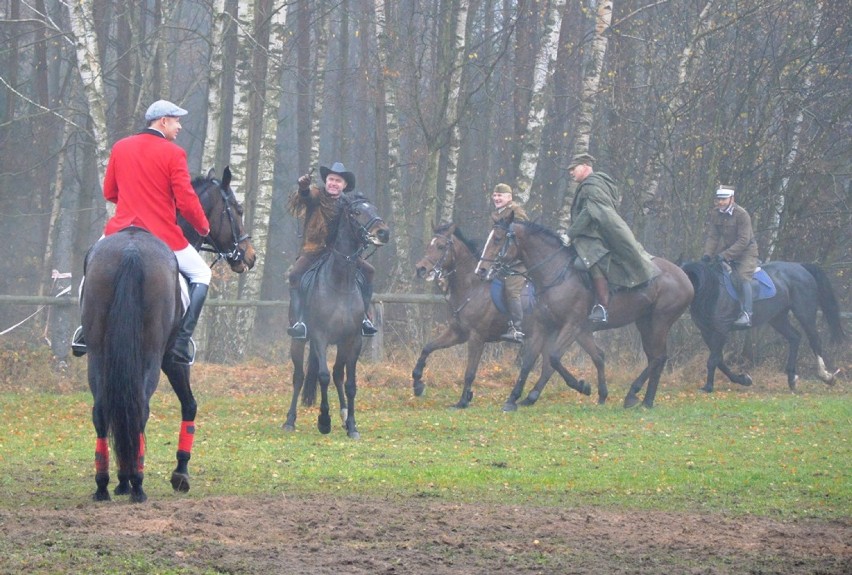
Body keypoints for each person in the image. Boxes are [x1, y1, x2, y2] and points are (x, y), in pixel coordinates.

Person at [71, 99, 212, 364]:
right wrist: (203, 226)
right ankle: (181, 342)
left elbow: (109, 192)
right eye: (176, 120)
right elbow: (186, 200)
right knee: (203, 273)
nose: (179, 126)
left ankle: (84, 331)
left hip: (119, 228)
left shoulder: (121, 147)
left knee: (91, 268)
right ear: (163, 121)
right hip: (161, 234)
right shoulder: (174, 154)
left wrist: (131, 203)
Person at [286, 162, 377, 339]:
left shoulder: (350, 205)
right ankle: (299, 321)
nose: (333, 183)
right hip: (315, 251)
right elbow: (306, 196)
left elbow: (359, 226)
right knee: (295, 274)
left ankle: (364, 317)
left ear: (344, 185)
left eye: (338, 181)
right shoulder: (317, 196)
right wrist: (303, 187)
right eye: (331, 179)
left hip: (343, 255)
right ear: (326, 181)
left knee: (370, 271)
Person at [565, 153, 659, 323]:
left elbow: (589, 213)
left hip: (597, 236)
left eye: (574, 168)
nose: (571, 172)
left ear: (585, 166)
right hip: (594, 233)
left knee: (591, 260)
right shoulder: (595, 183)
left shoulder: (591, 186)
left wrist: (570, 234)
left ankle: (602, 306)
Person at [702, 185, 759, 328]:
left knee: (742, 277)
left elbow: (743, 240)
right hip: (726, 251)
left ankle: (747, 314)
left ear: (731, 199)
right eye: (718, 199)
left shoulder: (742, 214)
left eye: (723, 199)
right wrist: (708, 255)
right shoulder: (715, 213)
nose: (720, 202)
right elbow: (713, 237)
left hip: (746, 252)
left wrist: (725, 255)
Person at [490, 183, 529, 343]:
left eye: (500, 195)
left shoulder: (517, 214)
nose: (497, 198)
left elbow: (519, 240)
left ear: (509, 197)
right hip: (501, 262)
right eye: (495, 195)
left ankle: (517, 328)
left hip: (517, 263)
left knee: (512, 290)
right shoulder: (497, 214)